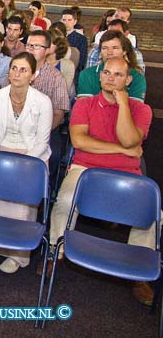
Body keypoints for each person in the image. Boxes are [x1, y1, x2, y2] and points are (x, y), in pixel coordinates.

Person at [46, 57, 154, 305]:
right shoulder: (84, 104)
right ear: (100, 76)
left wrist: (124, 105)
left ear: (128, 80)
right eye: (106, 73)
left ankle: (139, 274)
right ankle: (55, 252)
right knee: (64, 200)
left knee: (151, 215)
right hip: (86, 167)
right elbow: (80, 142)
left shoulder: (141, 110)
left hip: (127, 173)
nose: (110, 79)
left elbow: (129, 140)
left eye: (118, 75)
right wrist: (124, 150)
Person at [0, 52, 52, 273]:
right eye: (13, 68)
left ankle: (17, 254)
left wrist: (22, 164)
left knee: (21, 199)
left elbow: (42, 141)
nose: (16, 73)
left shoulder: (43, 101)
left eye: (23, 70)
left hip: (33, 157)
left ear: (33, 75)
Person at [78, 30, 146, 102]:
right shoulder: (87, 74)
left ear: (124, 51)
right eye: (105, 48)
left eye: (115, 48)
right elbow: (84, 107)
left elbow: (136, 109)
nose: (109, 52)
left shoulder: (137, 77)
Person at [60, 8, 88, 73]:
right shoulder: (57, 36)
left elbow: (82, 61)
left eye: (69, 20)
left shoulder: (81, 39)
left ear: (75, 22)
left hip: (72, 72)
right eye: (64, 20)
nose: (66, 23)